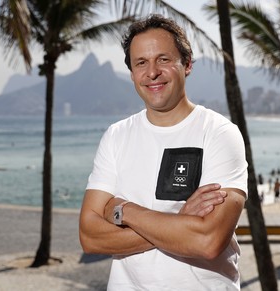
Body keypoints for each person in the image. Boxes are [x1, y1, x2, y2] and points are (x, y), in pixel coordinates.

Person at [79, 14, 248, 291]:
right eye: (141, 63)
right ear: (132, 73)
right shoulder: (116, 136)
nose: (152, 72)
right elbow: (90, 237)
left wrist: (124, 210)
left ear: (187, 64)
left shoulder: (219, 133)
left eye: (164, 59)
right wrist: (181, 222)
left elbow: (208, 242)